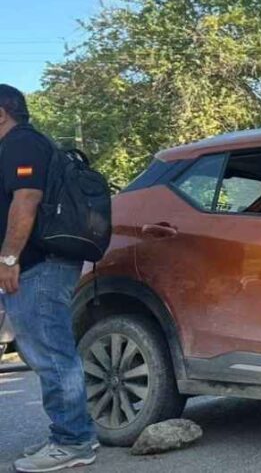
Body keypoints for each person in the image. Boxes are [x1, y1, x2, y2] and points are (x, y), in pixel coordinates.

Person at [0, 84, 97, 472]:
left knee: (51, 352)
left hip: (40, 265)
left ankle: (73, 441)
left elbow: (27, 201)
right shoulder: (18, 145)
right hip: (37, 264)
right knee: (44, 350)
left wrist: (9, 258)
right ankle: (70, 435)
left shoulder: (22, 144)